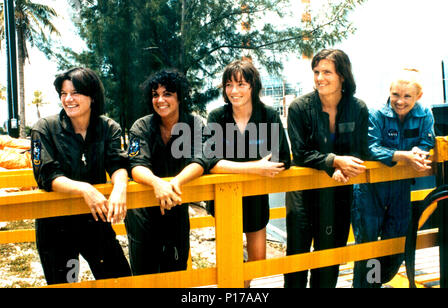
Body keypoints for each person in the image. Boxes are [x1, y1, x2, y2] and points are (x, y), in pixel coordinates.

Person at [31, 67, 131, 284]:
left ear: (92, 96)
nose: (68, 99)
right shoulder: (43, 129)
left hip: (95, 220)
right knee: (65, 283)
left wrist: (120, 187)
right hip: (56, 226)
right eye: (64, 93)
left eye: (75, 92)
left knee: (119, 280)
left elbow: (118, 163)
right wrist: (85, 188)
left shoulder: (108, 127)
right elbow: (46, 174)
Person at [284, 49, 369, 288]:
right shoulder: (299, 108)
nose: (319, 77)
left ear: (342, 75)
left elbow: (361, 149)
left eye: (327, 72)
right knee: (297, 258)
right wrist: (334, 161)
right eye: (316, 72)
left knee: (330, 257)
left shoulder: (358, 108)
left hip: (338, 190)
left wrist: (343, 164)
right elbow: (300, 153)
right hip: (303, 192)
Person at [204, 59, 291, 288]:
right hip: (225, 197)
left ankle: (244, 283)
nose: (234, 91)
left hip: (255, 197)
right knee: (229, 260)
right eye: (229, 85)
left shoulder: (268, 115)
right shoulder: (217, 117)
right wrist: (255, 167)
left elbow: (282, 158)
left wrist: (230, 164)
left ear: (253, 86)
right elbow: (210, 161)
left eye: (241, 84)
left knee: (258, 260)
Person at [352, 68, 435, 288]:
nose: (400, 101)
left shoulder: (425, 113)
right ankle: (368, 287)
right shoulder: (375, 114)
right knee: (369, 248)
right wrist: (404, 156)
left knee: (398, 244)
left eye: (407, 96)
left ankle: (380, 280)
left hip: (400, 189)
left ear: (419, 96)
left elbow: (428, 142)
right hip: (371, 190)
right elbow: (369, 148)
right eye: (395, 94)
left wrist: (419, 150)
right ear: (389, 92)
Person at [125, 69, 207, 275]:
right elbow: (136, 165)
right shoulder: (140, 126)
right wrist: (157, 183)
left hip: (176, 205)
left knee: (176, 271)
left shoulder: (195, 124)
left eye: (167, 93)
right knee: (145, 276)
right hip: (142, 212)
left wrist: (175, 183)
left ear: (179, 96)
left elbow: (202, 159)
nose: (160, 100)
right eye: (155, 94)